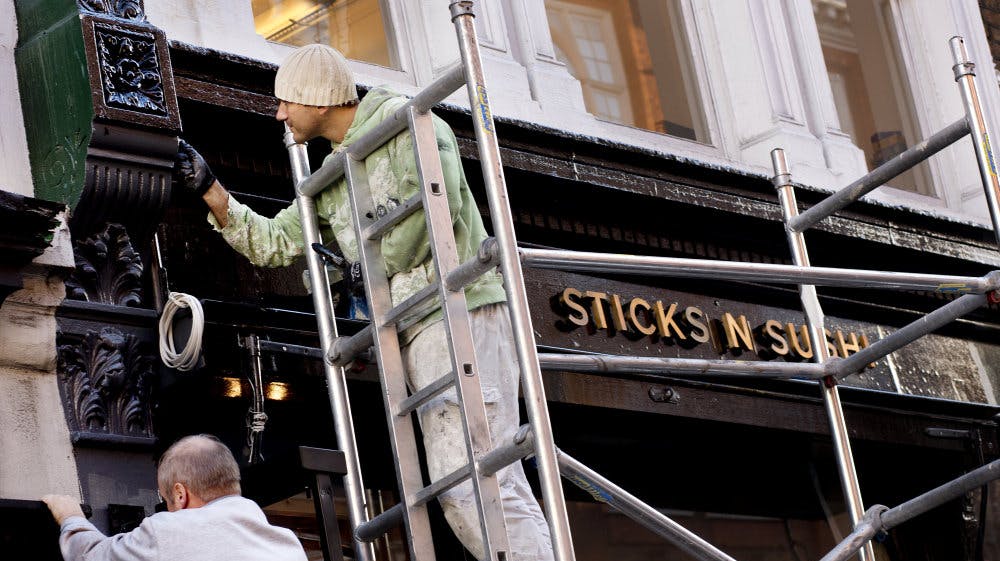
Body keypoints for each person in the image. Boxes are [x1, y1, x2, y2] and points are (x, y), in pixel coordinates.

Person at [173, 44, 554, 561]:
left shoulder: (409, 123)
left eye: (287, 101)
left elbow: (429, 214)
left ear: (320, 100)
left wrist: (362, 268)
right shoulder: (332, 175)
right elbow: (276, 242)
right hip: (413, 327)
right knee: (468, 485)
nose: (280, 113)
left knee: (479, 479)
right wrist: (210, 189)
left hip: (460, 311)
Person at [41, 434, 308, 560]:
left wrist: (71, 517)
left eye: (167, 500)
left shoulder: (169, 530)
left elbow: (91, 557)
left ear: (180, 494)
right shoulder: (288, 545)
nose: (168, 510)